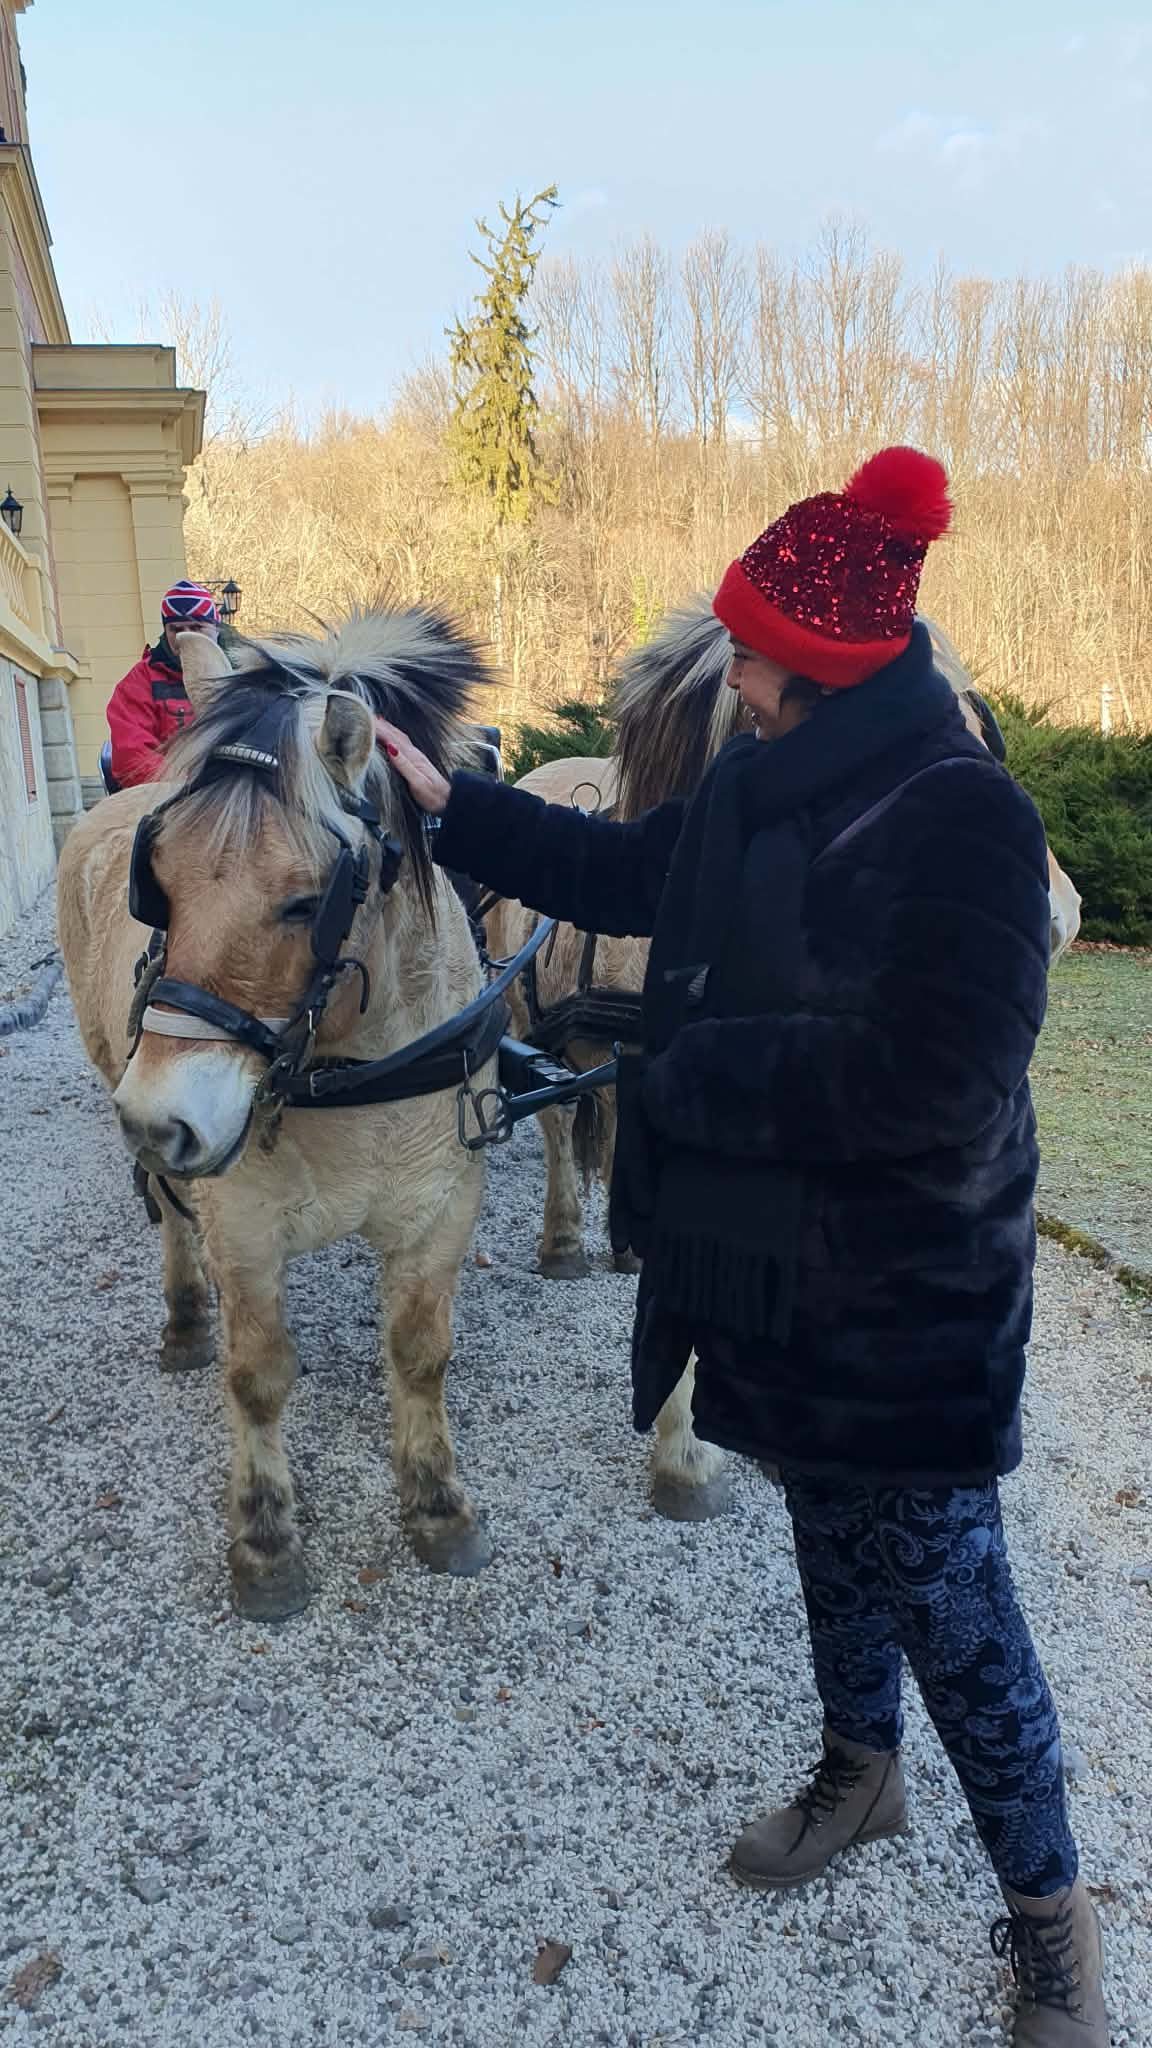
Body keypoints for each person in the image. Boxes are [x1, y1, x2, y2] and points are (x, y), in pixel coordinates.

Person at [377, 447, 1107, 2047]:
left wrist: (694, 1071)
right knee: (825, 1542)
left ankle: (1051, 1926)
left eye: (757, 655)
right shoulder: (753, 779)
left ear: (826, 662)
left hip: (907, 1298)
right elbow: (635, 873)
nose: (740, 678)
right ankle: (862, 1773)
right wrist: (458, 814)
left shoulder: (964, 817)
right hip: (769, 1267)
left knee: (957, 1611)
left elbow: (944, 1076)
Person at [105, 581, 223, 789]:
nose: (185, 637)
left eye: (197, 627)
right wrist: (186, 785)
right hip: (170, 795)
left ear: (216, 628)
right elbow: (131, 757)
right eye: (176, 629)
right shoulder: (140, 680)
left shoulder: (246, 672)